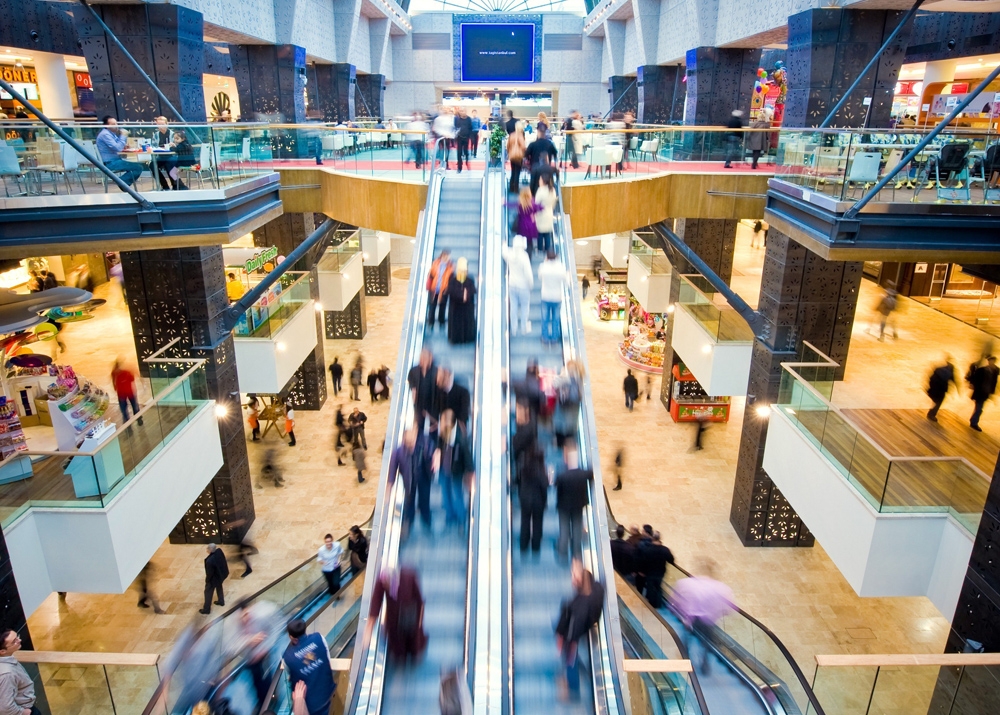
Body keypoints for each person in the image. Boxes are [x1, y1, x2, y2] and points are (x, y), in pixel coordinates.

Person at [671, 560, 735, 674]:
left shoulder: (685, 583)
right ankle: (704, 664)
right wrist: (717, 613)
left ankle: (685, 659)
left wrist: (678, 609)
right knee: (706, 642)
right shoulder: (722, 588)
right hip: (709, 621)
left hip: (690, 619)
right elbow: (729, 609)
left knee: (686, 637)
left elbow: (675, 600)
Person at [555, 562, 605, 701]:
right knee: (572, 658)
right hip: (587, 624)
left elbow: (574, 629)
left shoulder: (580, 606)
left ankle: (572, 689)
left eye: (574, 575)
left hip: (572, 634)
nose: (572, 577)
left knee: (570, 659)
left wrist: (565, 641)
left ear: (580, 581)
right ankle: (580, 673)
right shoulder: (597, 588)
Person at [369, 567, 427, 661]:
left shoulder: (408, 576)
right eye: (385, 584)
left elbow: (419, 599)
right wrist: (370, 623)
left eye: (388, 584)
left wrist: (420, 618)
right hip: (394, 616)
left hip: (410, 613)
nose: (386, 586)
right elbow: (376, 600)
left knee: (412, 638)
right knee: (397, 639)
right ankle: (401, 656)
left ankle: (414, 654)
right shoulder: (382, 581)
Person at [231, 599, 280, 707]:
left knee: (267, 676)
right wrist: (248, 640)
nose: (245, 619)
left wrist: (266, 647)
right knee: (256, 680)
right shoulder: (236, 623)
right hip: (250, 658)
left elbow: (274, 629)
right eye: (241, 617)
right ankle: (263, 701)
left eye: (246, 614)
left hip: (264, 655)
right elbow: (231, 645)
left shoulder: (261, 616)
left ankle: (271, 696)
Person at [282, 619, 335, 715]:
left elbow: (291, 673)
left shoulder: (287, 657)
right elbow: (327, 659)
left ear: (291, 637)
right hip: (326, 693)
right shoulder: (319, 638)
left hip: (309, 704)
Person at [436, 409, 475, 530]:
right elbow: (439, 445)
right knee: (445, 493)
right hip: (444, 469)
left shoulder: (460, 438)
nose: (440, 425)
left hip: (456, 472)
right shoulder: (442, 433)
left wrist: (470, 474)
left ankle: (461, 519)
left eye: (443, 422)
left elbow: (468, 458)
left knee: (457, 494)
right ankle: (450, 516)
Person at [555, 441, 592, 561]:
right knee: (577, 529)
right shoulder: (583, 474)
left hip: (564, 506)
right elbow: (591, 474)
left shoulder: (562, 476)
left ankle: (562, 551)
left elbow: (557, 488)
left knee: (564, 529)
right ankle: (576, 553)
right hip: (578, 505)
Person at [96, 115, 145, 188]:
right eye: (113, 124)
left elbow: (117, 146)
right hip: (110, 163)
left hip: (116, 160)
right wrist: (123, 135)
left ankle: (124, 185)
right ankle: (121, 182)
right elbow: (118, 148)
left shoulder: (111, 134)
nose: (116, 126)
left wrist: (124, 146)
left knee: (137, 167)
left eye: (116, 123)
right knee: (138, 167)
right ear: (106, 125)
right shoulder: (105, 134)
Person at [0, 629, 40, 715]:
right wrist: (22, 712)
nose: (20, 640)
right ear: (2, 651)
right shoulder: (7, 674)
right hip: (24, 709)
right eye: (14, 641)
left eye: (17, 636)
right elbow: (5, 706)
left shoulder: (7, 660)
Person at [519, 441, 548, 553]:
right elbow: (544, 484)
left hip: (525, 499)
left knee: (525, 522)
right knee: (537, 524)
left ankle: (523, 545)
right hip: (538, 500)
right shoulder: (540, 469)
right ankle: (535, 546)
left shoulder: (523, 467)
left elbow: (518, 481)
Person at [502, 235, 533, 337]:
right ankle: (524, 327)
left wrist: (504, 244)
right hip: (523, 286)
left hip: (512, 284)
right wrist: (531, 284)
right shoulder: (524, 256)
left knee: (513, 307)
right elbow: (528, 273)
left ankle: (513, 329)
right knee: (525, 307)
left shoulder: (510, 254)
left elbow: (504, 252)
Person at [538, 250, 569, 345]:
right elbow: (567, 281)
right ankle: (555, 338)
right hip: (557, 297)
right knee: (556, 318)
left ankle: (545, 338)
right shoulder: (560, 267)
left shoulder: (543, 267)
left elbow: (540, 277)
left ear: (546, 257)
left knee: (545, 318)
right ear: (556, 257)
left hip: (545, 296)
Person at [636, 531, 673, 607]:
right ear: (660, 539)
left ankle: (651, 606)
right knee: (658, 587)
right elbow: (671, 560)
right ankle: (658, 604)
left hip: (650, 573)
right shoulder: (665, 550)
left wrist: (641, 571)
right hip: (660, 573)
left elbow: (643, 562)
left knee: (650, 588)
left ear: (652, 538)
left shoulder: (647, 550)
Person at [446, 257, 477, 345]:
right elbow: (451, 292)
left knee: (467, 324)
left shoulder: (470, 280)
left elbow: (473, 291)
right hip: (456, 308)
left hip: (466, 308)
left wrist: (465, 296)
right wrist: (461, 296)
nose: (463, 273)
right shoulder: (452, 281)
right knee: (457, 324)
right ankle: (457, 339)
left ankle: (468, 338)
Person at [408, 348, 439, 428]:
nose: (423, 360)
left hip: (433, 405)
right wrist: (414, 401)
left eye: (425, 357)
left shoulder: (436, 371)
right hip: (419, 405)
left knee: (433, 427)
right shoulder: (413, 371)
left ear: (431, 358)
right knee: (418, 426)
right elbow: (413, 388)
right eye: (421, 357)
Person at [434, 367, 471, 431]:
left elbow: (463, 417)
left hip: (456, 430)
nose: (437, 381)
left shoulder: (463, 393)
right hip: (439, 429)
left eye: (440, 377)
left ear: (447, 376)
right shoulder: (437, 392)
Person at [525, 125, 558, 197]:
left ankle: (535, 201)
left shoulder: (533, 144)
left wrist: (529, 161)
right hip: (547, 169)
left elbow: (526, 154)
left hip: (535, 168)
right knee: (548, 187)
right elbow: (555, 154)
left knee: (535, 186)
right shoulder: (550, 144)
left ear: (538, 132)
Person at [969, 356, 1000, 432]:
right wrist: (972, 384)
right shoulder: (982, 370)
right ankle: (974, 423)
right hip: (980, 392)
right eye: (991, 361)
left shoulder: (994, 371)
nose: (992, 363)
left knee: (979, 408)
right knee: (979, 408)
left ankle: (973, 420)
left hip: (985, 393)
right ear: (989, 361)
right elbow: (975, 376)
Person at [426, 249, 454, 329]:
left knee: (443, 307)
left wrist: (448, 289)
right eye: (445, 256)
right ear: (442, 255)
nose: (447, 258)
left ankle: (441, 322)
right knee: (432, 306)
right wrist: (429, 286)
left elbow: (451, 279)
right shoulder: (435, 263)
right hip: (434, 289)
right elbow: (431, 275)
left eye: (448, 256)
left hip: (444, 290)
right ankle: (431, 323)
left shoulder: (450, 266)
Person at [926, 358, 959, 422]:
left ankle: (931, 413)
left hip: (935, 389)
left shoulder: (939, 369)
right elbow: (954, 380)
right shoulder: (950, 373)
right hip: (941, 390)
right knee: (938, 402)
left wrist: (930, 386)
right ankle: (931, 414)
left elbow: (931, 378)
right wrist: (958, 388)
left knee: (936, 401)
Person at [200, 543, 229, 614]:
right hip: (221, 575)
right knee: (219, 586)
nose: (207, 549)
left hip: (214, 578)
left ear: (210, 550)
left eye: (207, 548)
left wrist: (207, 580)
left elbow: (209, 573)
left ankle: (206, 609)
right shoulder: (219, 551)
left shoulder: (209, 561)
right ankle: (221, 601)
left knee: (208, 592)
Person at [534, 171, 557, 255]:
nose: (539, 181)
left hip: (541, 214)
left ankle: (540, 249)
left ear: (543, 181)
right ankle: (548, 250)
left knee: (540, 233)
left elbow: (536, 203)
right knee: (547, 233)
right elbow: (554, 203)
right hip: (549, 213)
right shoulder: (552, 190)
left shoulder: (540, 190)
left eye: (540, 179)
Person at [112, 358, 142, 423]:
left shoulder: (115, 372)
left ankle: (127, 420)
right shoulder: (126, 372)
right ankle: (137, 418)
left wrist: (115, 387)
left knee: (125, 408)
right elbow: (132, 379)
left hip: (123, 393)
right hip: (128, 392)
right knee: (133, 405)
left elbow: (113, 380)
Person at [513, 187, 541, 254]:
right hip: (531, 225)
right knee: (529, 243)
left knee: (522, 241)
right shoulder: (532, 203)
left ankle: (522, 255)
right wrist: (534, 214)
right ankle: (529, 257)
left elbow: (511, 205)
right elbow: (541, 207)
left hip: (522, 225)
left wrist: (504, 202)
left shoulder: (520, 204)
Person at [507, 126, 526, 194]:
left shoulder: (511, 135)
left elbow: (508, 145)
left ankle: (511, 187)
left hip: (512, 155)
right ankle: (516, 188)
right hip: (518, 155)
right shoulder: (520, 136)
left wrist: (509, 152)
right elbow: (523, 146)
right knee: (517, 172)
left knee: (513, 171)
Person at [454, 107, 473, 173]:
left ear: (466, 111)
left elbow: (471, 128)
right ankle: (459, 167)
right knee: (459, 153)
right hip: (459, 138)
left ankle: (467, 162)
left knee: (466, 152)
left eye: (463, 111)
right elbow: (455, 127)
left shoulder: (469, 119)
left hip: (466, 137)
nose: (462, 112)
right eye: (461, 111)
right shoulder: (457, 119)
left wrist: (470, 137)